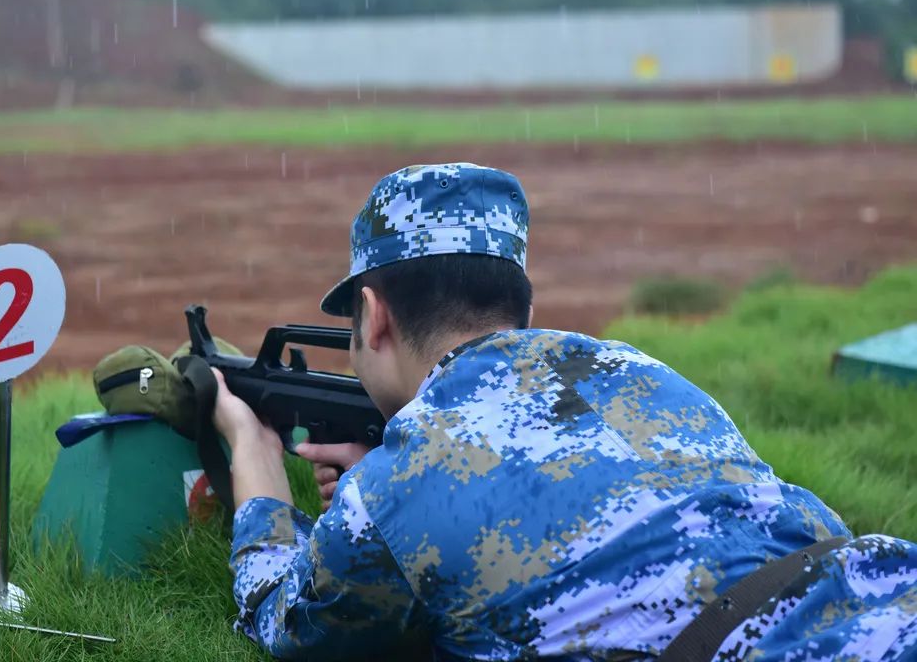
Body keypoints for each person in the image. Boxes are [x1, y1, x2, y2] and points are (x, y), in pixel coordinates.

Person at [210, 162, 917, 661]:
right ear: (519, 304)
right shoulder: (640, 370)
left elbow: (289, 619)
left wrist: (255, 458)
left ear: (373, 313)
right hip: (879, 597)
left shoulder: (397, 489)